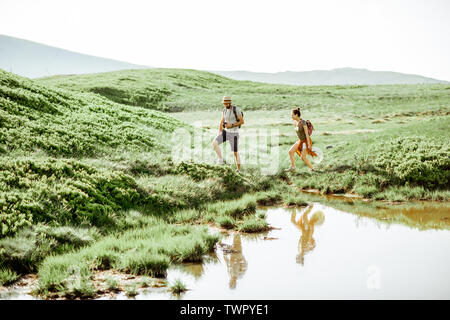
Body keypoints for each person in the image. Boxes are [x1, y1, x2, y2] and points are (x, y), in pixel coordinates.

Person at [212, 96, 244, 173]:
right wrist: (220, 132)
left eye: (227, 103)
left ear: (230, 102)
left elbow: (242, 121)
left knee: (235, 152)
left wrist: (231, 125)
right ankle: (221, 160)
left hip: (234, 133)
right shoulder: (224, 110)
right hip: (226, 132)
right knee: (214, 143)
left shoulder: (236, 110)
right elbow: (222, 121)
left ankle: (238, 169)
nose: (225, 104)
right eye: (224, 103)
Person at [286, 107, 316, 172]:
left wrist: (309, 144)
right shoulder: (295, 123)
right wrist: (298, 141)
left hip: (305, 141)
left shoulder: (303, 123)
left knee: (303, 157)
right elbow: (298, 133)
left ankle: (312, 169)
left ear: (296, 115)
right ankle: (293, 168)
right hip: (300, 141)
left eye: (292, 115)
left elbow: (306, 134)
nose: (291, 116)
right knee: (290, 151)